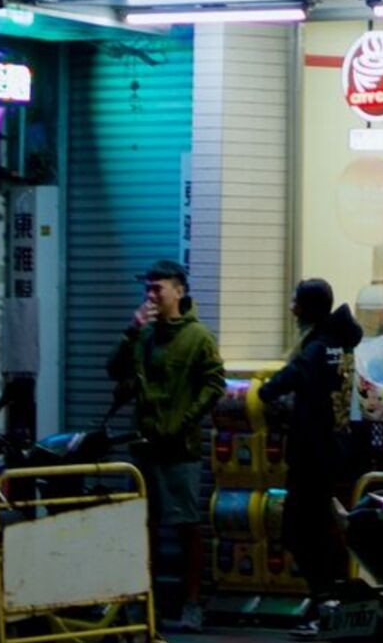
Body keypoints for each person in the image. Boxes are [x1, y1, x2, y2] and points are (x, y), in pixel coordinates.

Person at [107, 260, 224, 634]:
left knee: (187, 525)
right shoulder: (144, 335)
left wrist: (183, 422)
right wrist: (131, 329)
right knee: (144, 527)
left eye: (158, 289)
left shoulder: (198, 338)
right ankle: (144, 602)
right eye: (148, 289)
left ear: (179, 291)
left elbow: (214, 384)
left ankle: (192, 602)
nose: (151, 296)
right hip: (143, 446)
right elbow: (113, 369)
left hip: (180, 449)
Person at [259, 278, 363, 639]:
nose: (291, 308)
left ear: (310, 308)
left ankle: (326, 605)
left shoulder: (317, 349)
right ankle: (329, 603)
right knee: (320, 531)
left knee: (299, 532)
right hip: (333, 453)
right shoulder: (339, 345)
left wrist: (267, 392)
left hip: (311, 457)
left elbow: (278, 384)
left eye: (295, 302)